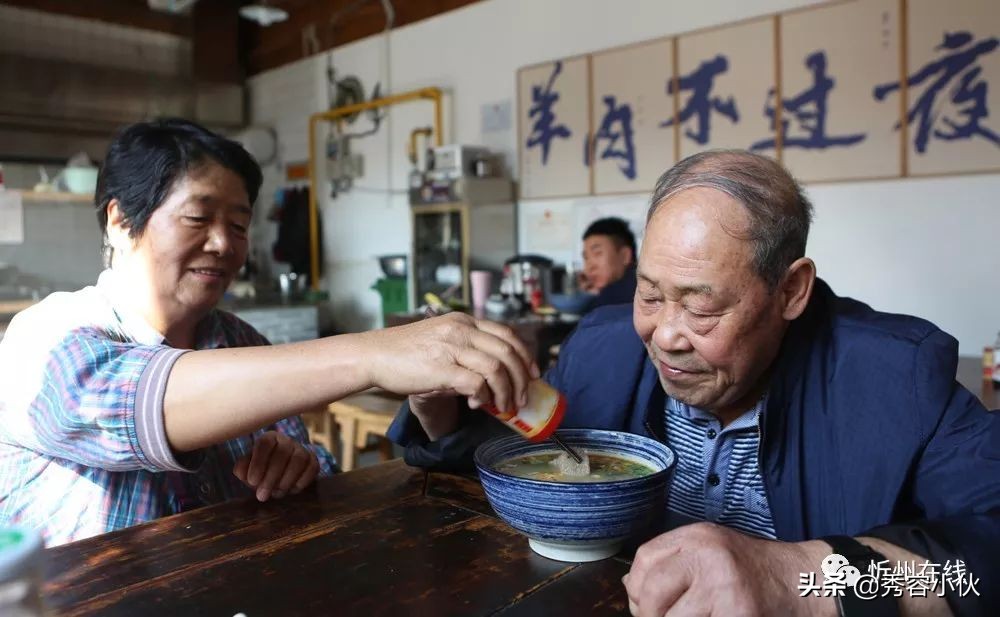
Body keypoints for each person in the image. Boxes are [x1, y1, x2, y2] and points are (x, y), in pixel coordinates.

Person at [389, 150, 1000, 616]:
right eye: (649, 295)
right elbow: (514, 469)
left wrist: (801, 579)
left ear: (791, 290)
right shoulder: (603, 348)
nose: (664, 336)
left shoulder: (895, 378)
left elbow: (983, 564)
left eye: (701, 307)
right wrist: (442, 414)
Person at [0, 118, 535, 547]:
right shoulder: (44, 337)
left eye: (238, 225)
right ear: (120, 221)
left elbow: (312, 465)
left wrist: (297, 466)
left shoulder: (240, 340)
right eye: (198, 218)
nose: (223, 244)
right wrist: (372, 354)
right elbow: (138, 402)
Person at [578, 216, 637, 310]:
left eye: (597, 253)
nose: (589, 267)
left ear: (624, 256)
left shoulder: (611, 298)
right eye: (586, 258)